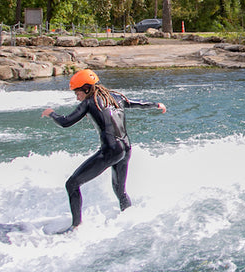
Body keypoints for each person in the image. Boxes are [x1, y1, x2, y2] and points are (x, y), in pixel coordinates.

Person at [42, 69, 166, 231]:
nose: (76, 96)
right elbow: (138, 103)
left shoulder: (89, 102)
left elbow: (66, 122)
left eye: (77, 92)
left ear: (87, 88)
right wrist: (156, 104)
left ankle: (76, 227)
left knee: (72, 184)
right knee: (120, 191)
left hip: (110, 151)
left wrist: (51, 113)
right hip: (126, 148)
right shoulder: (117, 97)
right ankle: (131, 222)